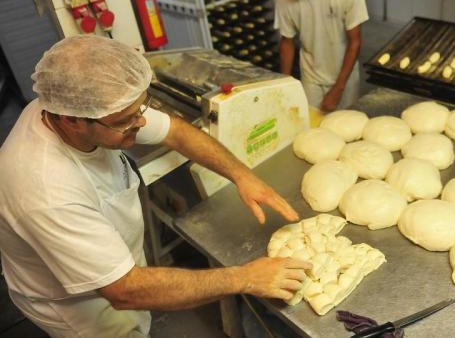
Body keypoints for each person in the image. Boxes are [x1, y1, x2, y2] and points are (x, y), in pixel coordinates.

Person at [0, 35, 311, 337]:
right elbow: (124, 290)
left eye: (141, 108)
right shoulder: (45, 189)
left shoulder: (83, 107)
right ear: (73, 121)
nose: (141, 122)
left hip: (115, 269)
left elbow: (175, 131)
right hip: (82, 307)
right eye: (126, 119)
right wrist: (246, 278)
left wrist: (242, 175)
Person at [275, 0, 369, 112]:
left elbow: (354, 42)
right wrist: (285, 83)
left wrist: (338, 88)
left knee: (347, 127)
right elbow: (287, 42)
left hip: (344, 76)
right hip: (311, 77)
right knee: (314, 127)